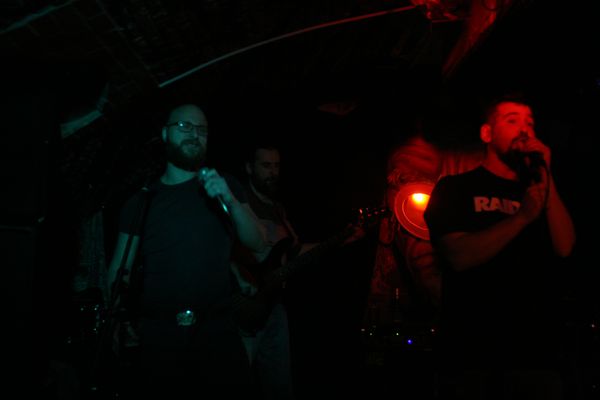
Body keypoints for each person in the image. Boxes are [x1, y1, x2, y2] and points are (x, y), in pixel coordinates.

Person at [106, 103, 267, 398]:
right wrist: (114, 319)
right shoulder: (142, 200)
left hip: (217, 331)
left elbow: (258, 242)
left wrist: (229, 199)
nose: (194, 134)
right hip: (161, 336)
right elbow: (120, 268)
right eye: (185, 127)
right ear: (165, 134)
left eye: (201, 129)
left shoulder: (224, 186)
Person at [423, 92, 576, 400]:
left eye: (529, 123)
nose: (525, 130)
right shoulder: (455, 188)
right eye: (512, 121)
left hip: (537, 357)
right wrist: (521, 218)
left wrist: (546, 174)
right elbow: (459, 256)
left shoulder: (538, 191)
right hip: (473, 358)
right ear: (487, 133)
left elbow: (565, 247)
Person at [230, 142, 365, 399]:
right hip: (246, 305)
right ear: (249, 168)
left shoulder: (278, 209)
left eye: (276, 166)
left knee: (279, 384)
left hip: (274, 306)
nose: (273, 172)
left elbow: (292, 254)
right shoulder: (239, 202)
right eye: (266, 166)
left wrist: (341, 240)